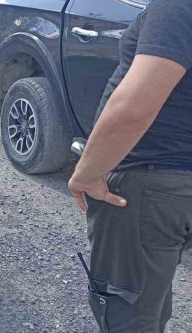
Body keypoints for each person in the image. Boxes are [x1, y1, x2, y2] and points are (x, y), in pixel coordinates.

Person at [67, 0, 192, 331]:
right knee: (147, 301)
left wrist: (87, 174)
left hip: (148, 184)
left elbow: (134, 106)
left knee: (128, 315)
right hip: (174, 186)